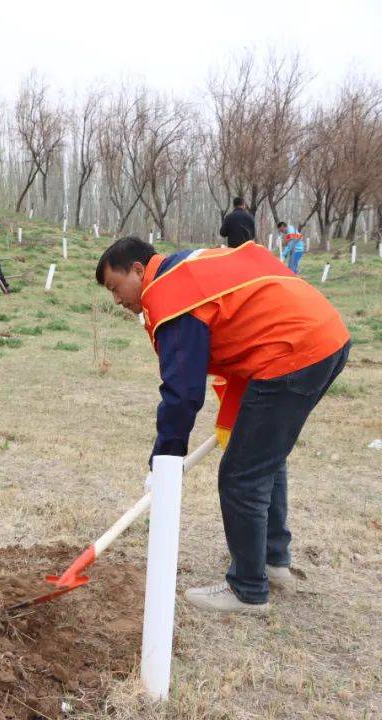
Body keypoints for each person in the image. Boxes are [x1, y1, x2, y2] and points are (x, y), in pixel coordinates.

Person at [95, 237, 350, 614]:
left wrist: (164, 459)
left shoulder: (170, 292)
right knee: (264, 459)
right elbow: (238, 334)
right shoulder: (191, 268)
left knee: (241, 476)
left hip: (290, 351)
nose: (117, 300)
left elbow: (182, 392)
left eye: (115, 287)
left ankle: (248, 589)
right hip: (324, 337)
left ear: (137, 269)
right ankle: (273, 562)